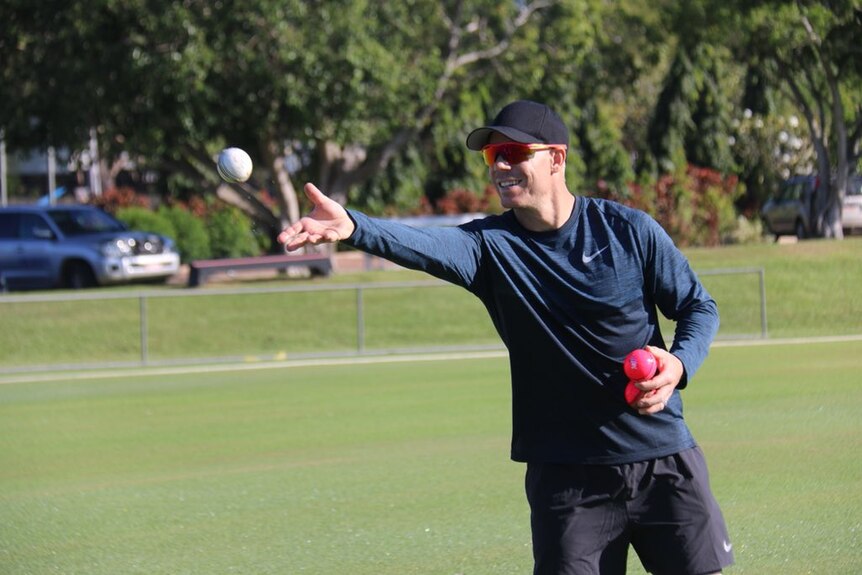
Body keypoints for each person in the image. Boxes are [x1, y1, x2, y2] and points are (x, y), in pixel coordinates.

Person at [278, 100, 734, 575]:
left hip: (663, 461)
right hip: (568, 479)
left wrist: (678, 364)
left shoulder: (629, 231)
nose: (500, 166)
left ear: (556, 158)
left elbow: (698, 306)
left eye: (514, 152)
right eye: (492, 155)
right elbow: (423, 245)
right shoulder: (489, 248)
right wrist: (353, 226)